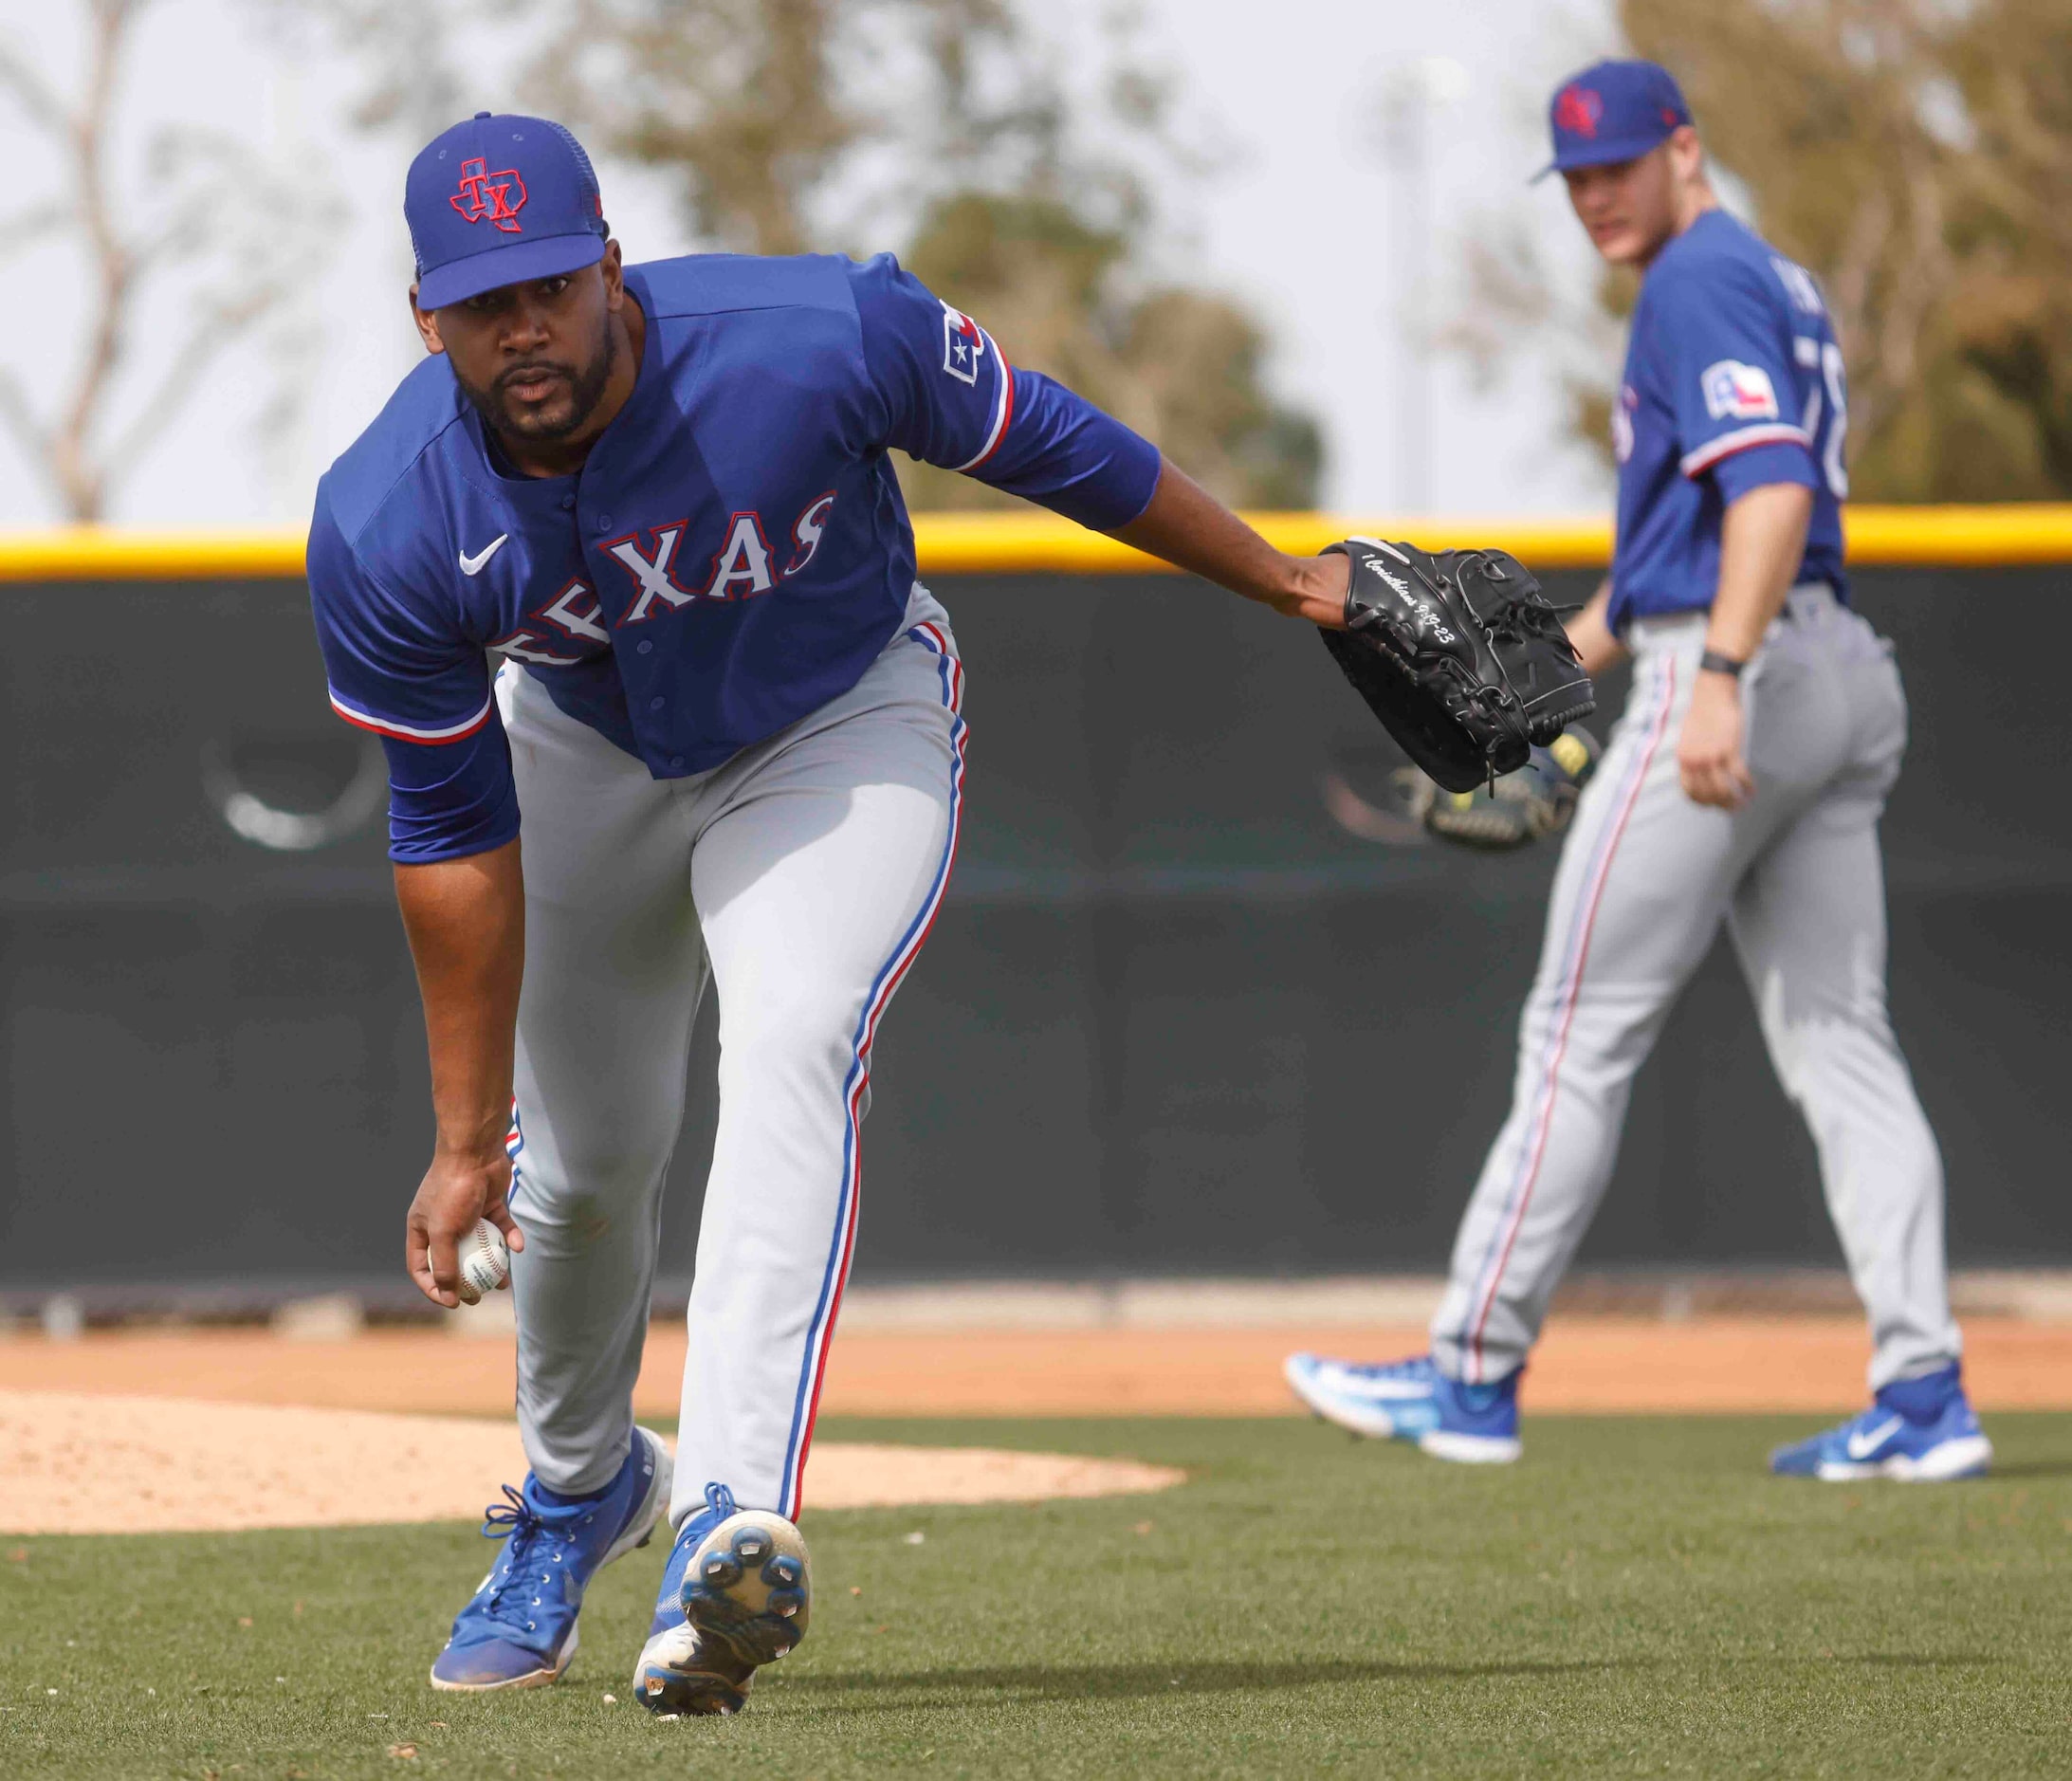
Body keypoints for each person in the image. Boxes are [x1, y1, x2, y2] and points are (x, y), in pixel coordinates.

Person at [308, 111, 1358, 1716]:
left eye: (544, 286)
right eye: (478, 301)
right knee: (580, 1168)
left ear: (606, 262)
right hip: (587, 747)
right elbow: (450, 834)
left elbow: (1059, 445)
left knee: (793, 1035)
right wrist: (465, 1139)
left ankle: (724, 1516)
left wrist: (1292, 583)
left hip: (834, 717)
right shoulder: (387, 514)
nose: (519, 327)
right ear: (425, 313)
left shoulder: (814, 335)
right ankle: (577, 1487)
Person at [1286, 59, 1989, 1483]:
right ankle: (1924, 1394)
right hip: (1833, 668)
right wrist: (1561, 677)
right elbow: (1688, 542)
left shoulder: (1696, 284)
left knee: (1571, 1033)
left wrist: (1715, 679)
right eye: (1576, 178)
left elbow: (1771, 490)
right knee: (1844, 1042)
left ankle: (1469, 1371)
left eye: (1617, 165)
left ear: (1682, 149)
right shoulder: (1763, 277)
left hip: (1745, 670)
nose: (1596, 196)